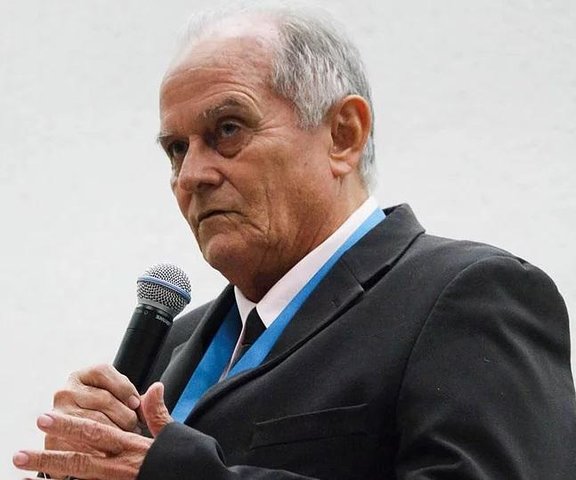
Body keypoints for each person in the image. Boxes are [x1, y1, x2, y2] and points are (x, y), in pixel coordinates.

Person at [13, 6, 576, 480]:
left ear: (343, 135)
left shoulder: (469, 297)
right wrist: (76, 463)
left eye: (227, 130)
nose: (192, 176)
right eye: (176, 150)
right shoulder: (172, 347)